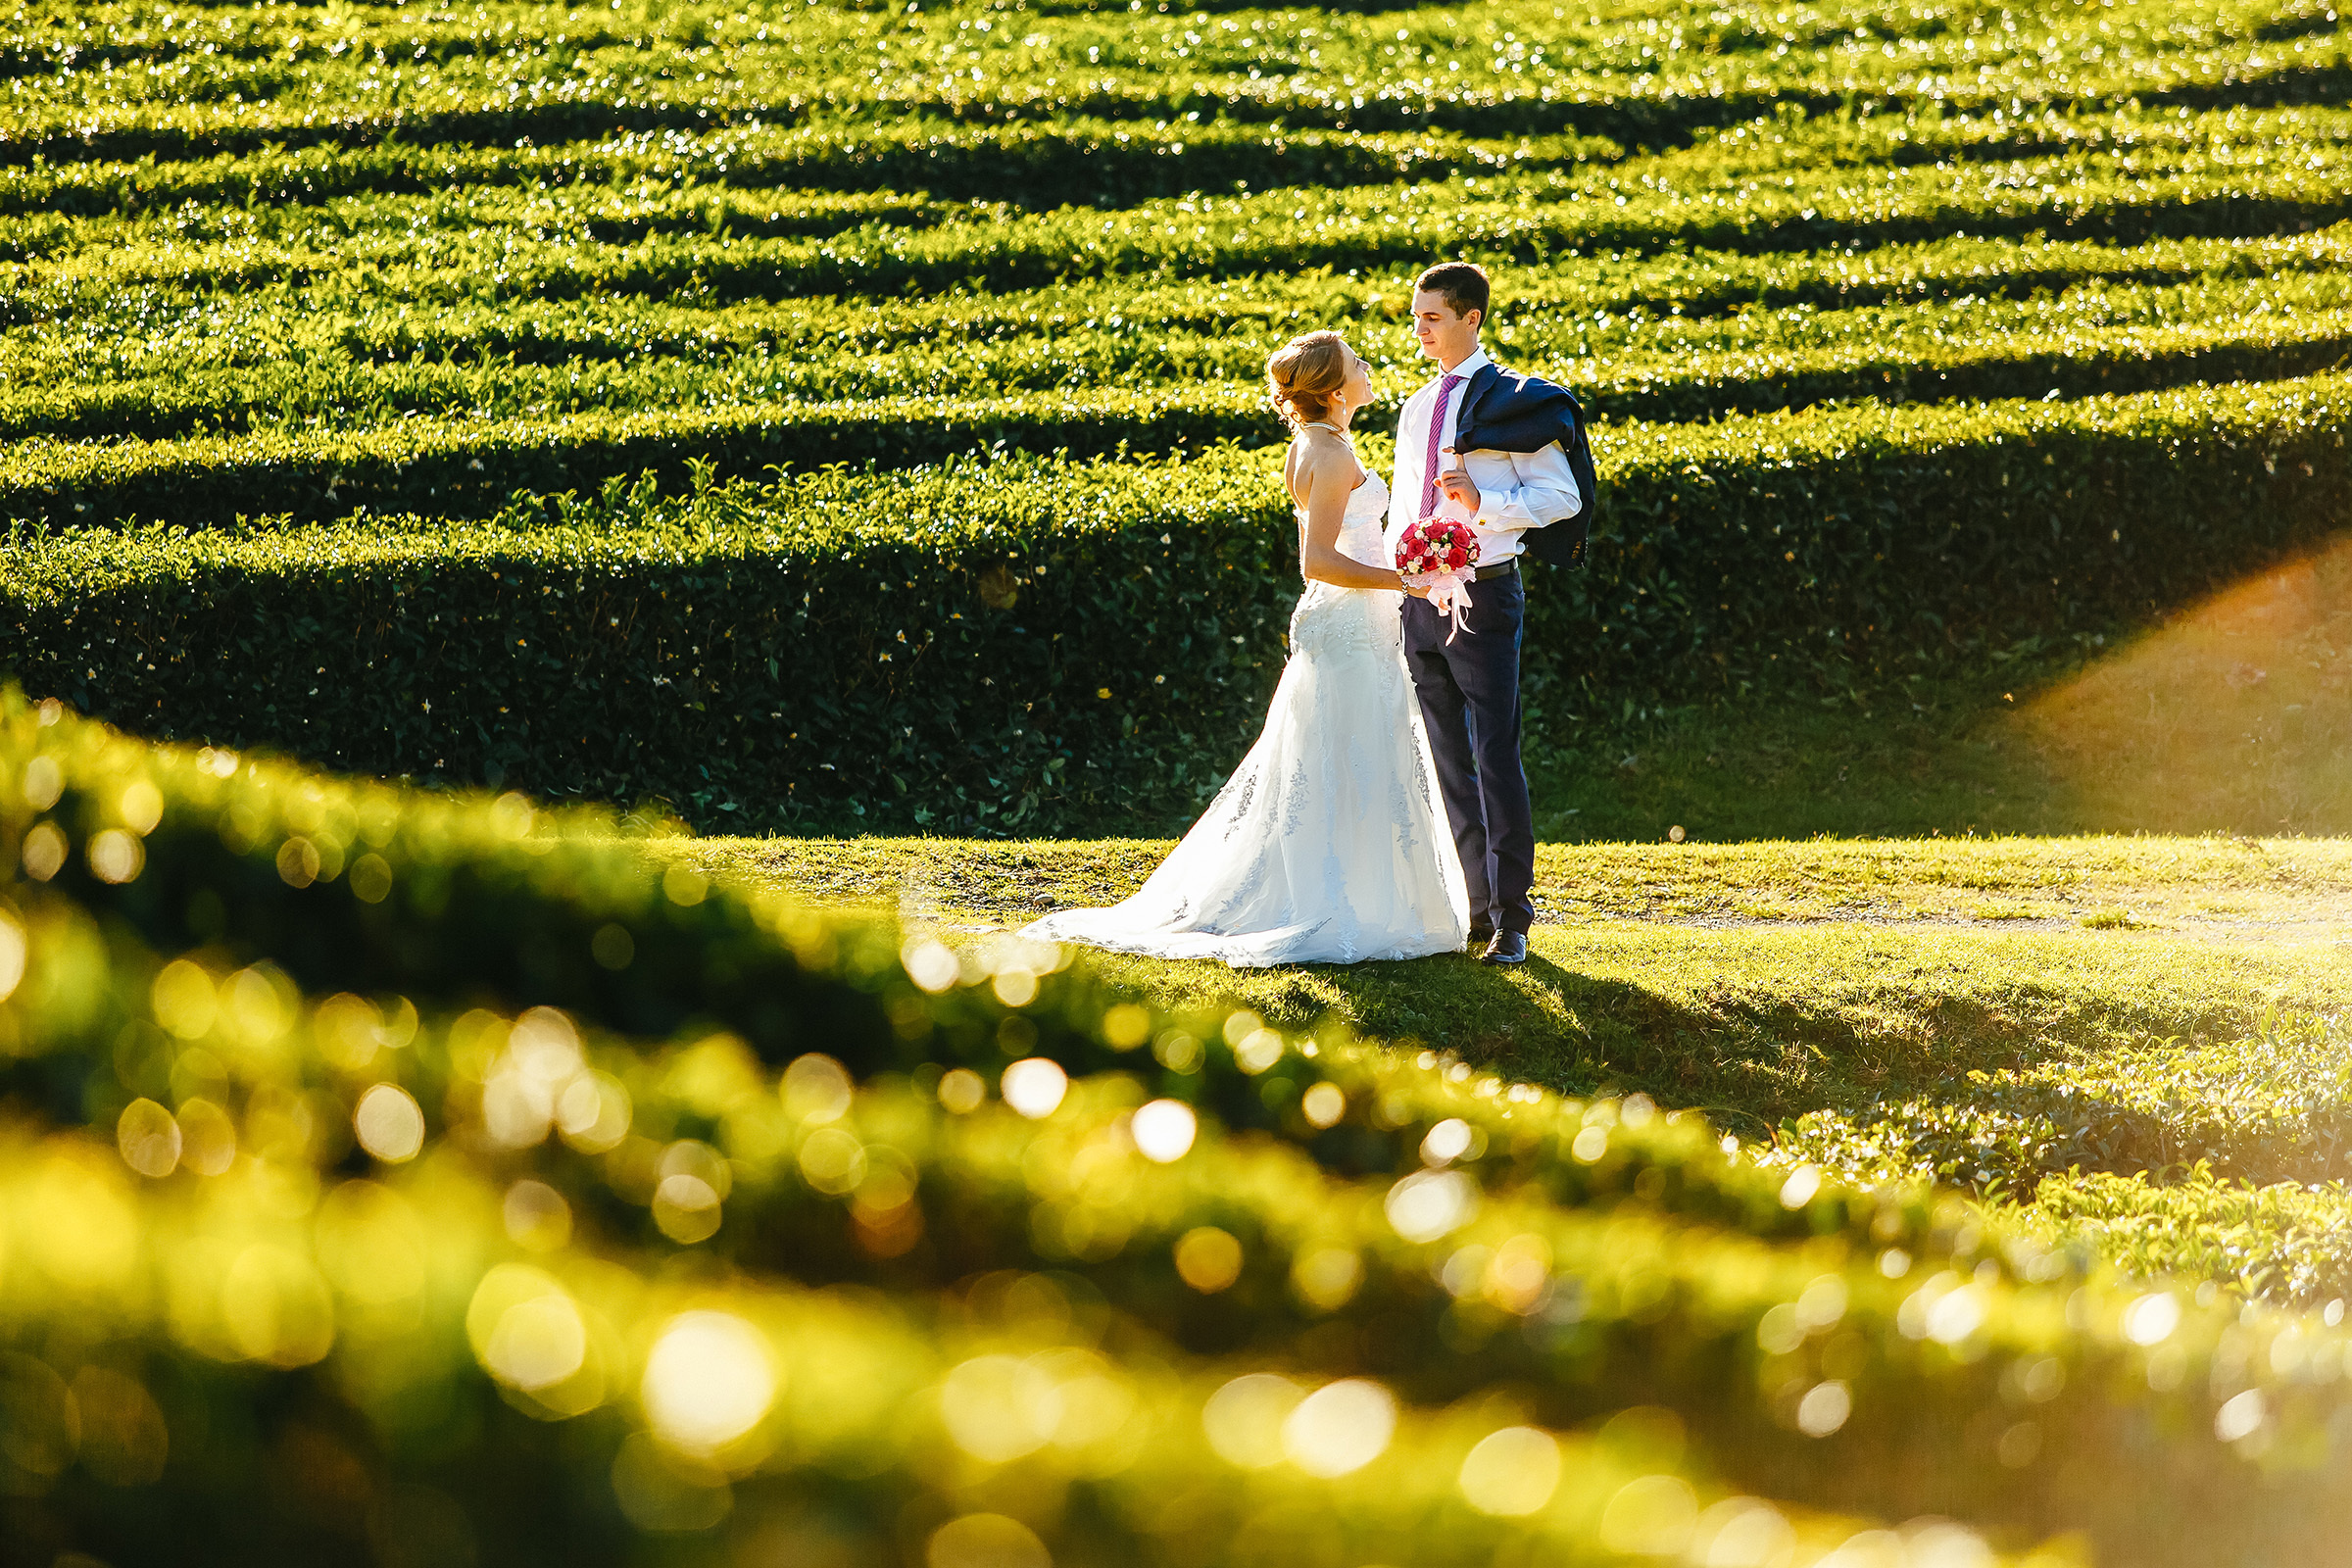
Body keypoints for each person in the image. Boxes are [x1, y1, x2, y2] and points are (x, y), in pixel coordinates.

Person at [1021, 330, 1468, 967]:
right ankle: (1344, 904)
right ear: (1337, 391)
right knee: (1352, 755)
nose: (1369, 367)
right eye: (1357, 363)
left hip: (1350, 622)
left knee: (1342, 757)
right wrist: (1409, 579)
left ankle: (1356, 894)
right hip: (1346, 625)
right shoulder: (1333, 455)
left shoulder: (1318, 444)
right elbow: (1318, 561)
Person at [1388, 262, 1586, 966]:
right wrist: (1398, 581)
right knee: (1446, 759)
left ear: (1472, 319)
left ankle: (1512, 918)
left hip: (1487, 592)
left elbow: (1562, 499)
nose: (1420, 329)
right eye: (1416, 317)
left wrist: (1483, 505)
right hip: (1417, 603)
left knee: (1494, 754)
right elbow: (1406, 505)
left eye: (1432, 317)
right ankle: (1470, 909)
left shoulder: (1513, 402)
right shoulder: (1415, 406)